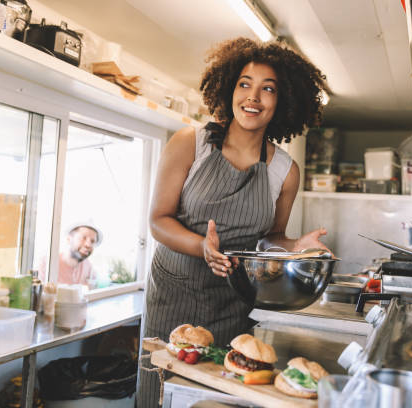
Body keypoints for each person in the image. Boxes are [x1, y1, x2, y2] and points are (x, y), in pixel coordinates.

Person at [140, 37, 328, 407]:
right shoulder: (189, 143)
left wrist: (293, 248)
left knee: (217, 396)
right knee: (160, 393)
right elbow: (158, 220)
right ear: (229, 88)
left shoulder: (285, 171)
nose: (253, 97)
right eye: (245, 83)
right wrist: (201, 247)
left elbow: (270, 238)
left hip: (231, 303)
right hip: (172, 296)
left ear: (284, 100)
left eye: (267, 88)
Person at [39, 222, 102, 287]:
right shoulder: (48, 262)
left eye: (92, 241)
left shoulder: (89, 267)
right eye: (83, 238)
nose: (88, 245)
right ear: (69, 239)